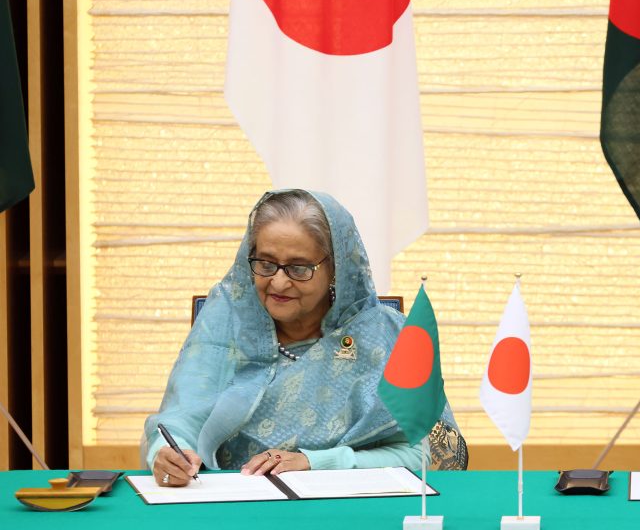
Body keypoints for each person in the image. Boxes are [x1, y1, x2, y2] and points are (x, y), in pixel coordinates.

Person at [143, 189, 464, 487]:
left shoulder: (383, 336)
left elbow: (436, 456)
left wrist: (316, 462)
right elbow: (177, 424)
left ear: (336, 269)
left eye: (299, 269)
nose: (278, 283)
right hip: (233, 506)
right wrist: (170, 455)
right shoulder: (226, 322)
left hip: (351, 511)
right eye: (266, 264)